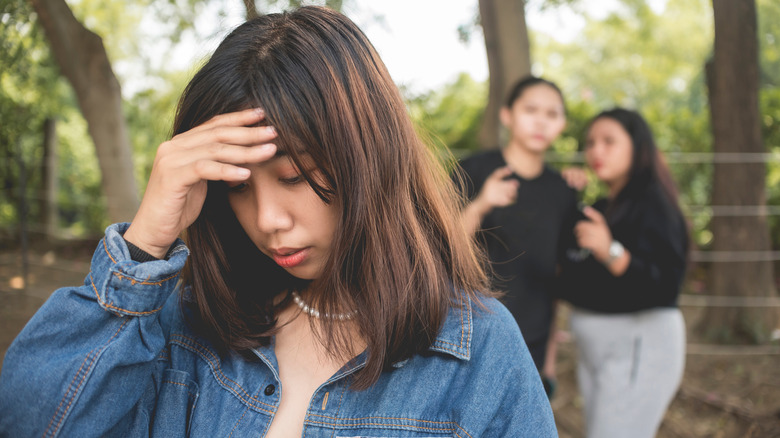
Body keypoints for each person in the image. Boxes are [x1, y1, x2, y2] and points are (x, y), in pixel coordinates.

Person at [0, 7, 557, 437]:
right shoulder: (182, 326)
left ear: (367, 162)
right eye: (236, 189)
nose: (267, 220)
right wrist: (144, 245)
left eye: (295, 177)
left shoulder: (478, 351)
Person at [557, 108, 688, 438]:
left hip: (639, 350)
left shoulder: (654, 205)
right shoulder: (602, 207)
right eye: (590, 143)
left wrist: (612, 252)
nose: (596, 151)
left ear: (637, 146)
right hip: (597, 354)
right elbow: (567, 268)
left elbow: (667, 285)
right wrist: (565, 196)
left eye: (609, 141)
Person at [455, 76, 578, 397]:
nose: (541, 121)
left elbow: (557, 277)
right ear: (507, 115)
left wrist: (549, 360)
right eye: (531, 109)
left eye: (552, 114)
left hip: (531, 345)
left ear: (562, 123)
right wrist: (481, 205)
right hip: (469, 336)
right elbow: (439, 248)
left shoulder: (562, 191)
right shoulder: (473, 170)